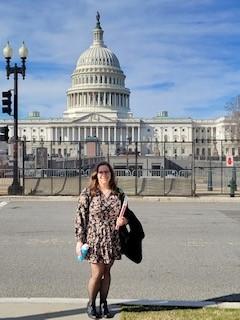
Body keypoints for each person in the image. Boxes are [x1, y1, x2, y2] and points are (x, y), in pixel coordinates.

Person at [75, 161, 128, 319]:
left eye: (107, 172)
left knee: (107, 272)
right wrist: (79, 240)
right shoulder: (88, 193)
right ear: (96, 175)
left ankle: (104, 303)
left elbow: (127, 216)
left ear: (111, 174)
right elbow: (80, 217)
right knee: (97, 273)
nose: (104, 175)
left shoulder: (119, 193)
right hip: (94, 239)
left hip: (112, 238)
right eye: (101, 173)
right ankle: (91, 303)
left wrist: (124, 221)